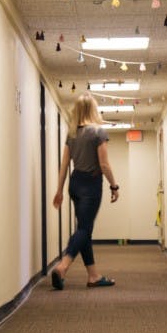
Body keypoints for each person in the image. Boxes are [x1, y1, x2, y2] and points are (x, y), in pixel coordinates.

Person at [51, 93, 120, 289]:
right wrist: (114, 186)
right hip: (91, 184)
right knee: (84, 229)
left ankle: (93, 276)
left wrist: (59, 190)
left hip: (75, 183)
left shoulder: (72, 134)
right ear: (93, 109)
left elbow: (64, 164)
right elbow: (104, 164)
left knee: (84, 229)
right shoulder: (98, 132)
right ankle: (63, 266)